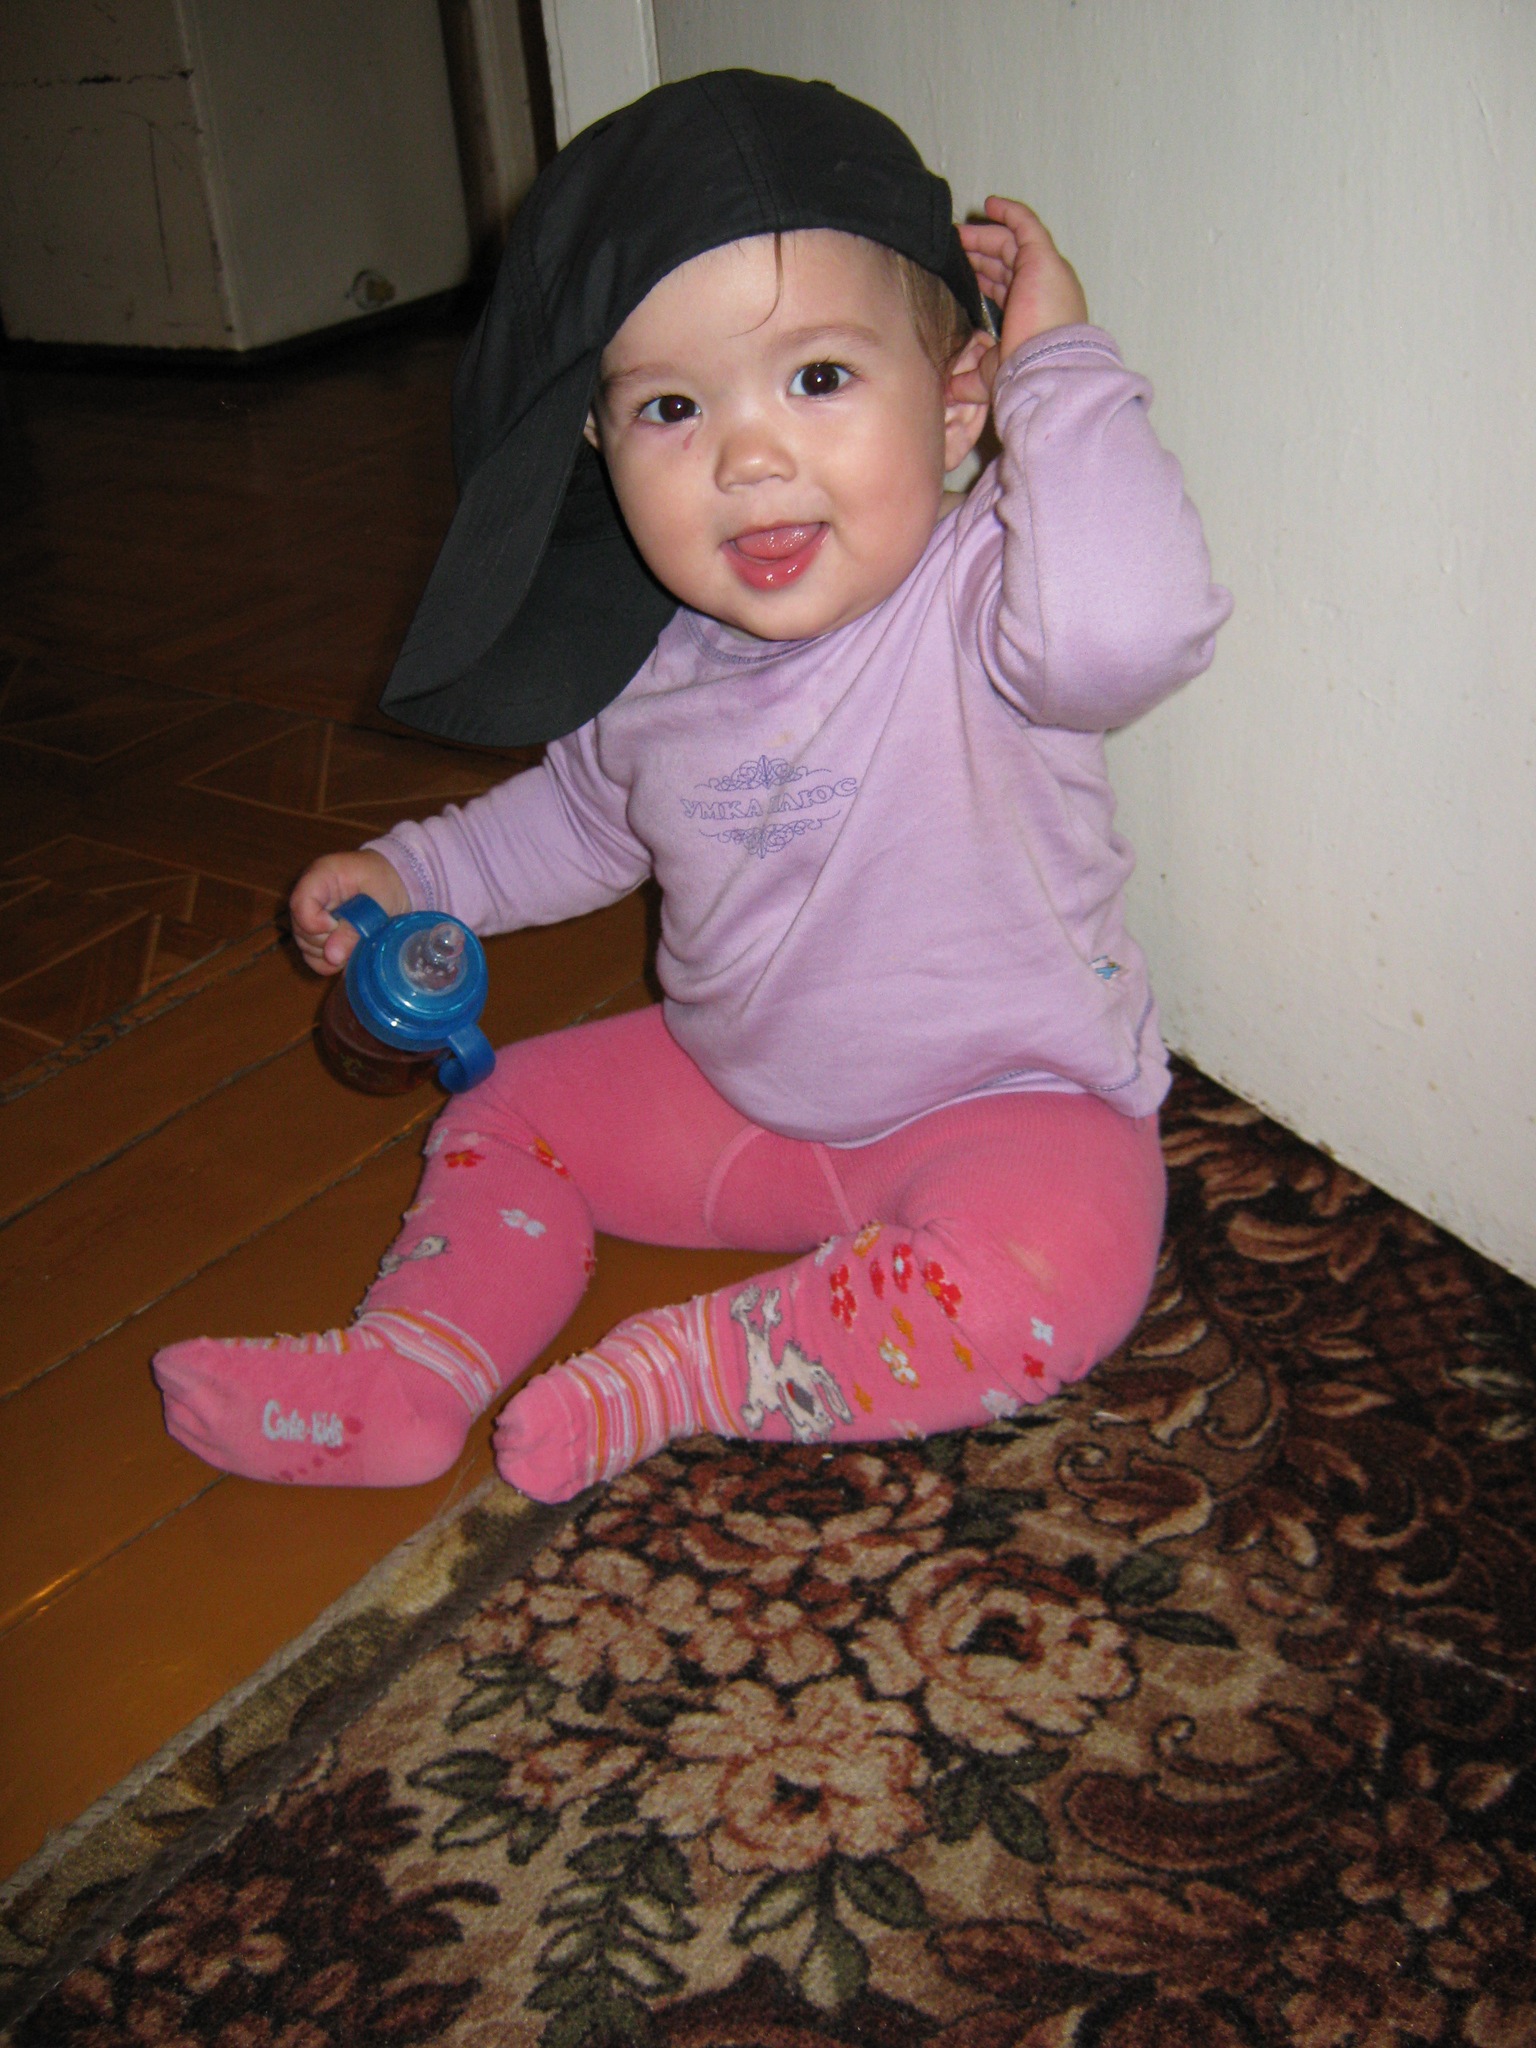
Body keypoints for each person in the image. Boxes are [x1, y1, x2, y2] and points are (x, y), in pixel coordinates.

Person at [152, 71, 1231, 1503]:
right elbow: (575, 820)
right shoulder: (653, 661)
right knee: (503, 1109)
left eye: (820, 379)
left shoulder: (993, 592)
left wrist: (1063, 372)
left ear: (957, 401)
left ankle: (688, 1371)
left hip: (1008, 1107)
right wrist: (414, 874)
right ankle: (412, 1370)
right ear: (601, 450)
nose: (749, 456)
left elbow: (1129, 632)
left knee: (1060, 1271)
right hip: (742, 1096)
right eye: (672, 406)